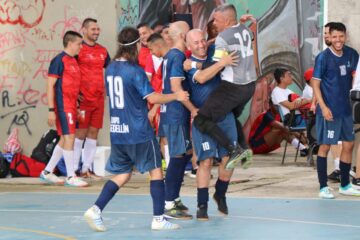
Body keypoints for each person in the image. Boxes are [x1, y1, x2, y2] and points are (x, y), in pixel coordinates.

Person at [84, 27, 189, 231]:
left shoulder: (111, 68)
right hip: (139, 130)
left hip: (118, 131)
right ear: (135, 47)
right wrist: (176, 96)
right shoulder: (135, 71)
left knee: (122, 174)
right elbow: (152, 98)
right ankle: (158, 218)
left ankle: (96, 209)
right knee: (156, 171)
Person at [192, 4, 254, 170]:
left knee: (201, 120)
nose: (214, 24)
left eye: (217, 20)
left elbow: (214, 64)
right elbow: (241, 36)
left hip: (232, 88)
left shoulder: (223, 38)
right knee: (231, 116)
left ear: (227, 21)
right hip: (249, 87)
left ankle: (234, 150)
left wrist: (192, 64)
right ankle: (245, 148)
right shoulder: (246, 30)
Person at [185, 29, 238, 220]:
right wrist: (221, 64)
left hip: (224, 114)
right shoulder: (187, 64)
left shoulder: (215, 50)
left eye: (202, 41)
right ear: (188, 46)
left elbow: (227, 48)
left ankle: (221, 193)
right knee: (205, 161)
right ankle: (202, 205)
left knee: (230, 157)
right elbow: (202, 77)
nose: (201, 45)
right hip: (203, 118)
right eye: (196, 43)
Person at [147, 22, 195, 220]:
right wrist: (193, 109)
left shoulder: (170, 56)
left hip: (171, 113)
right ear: (184, 36)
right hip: (176, 113)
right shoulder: (176, 56)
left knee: (186, 152)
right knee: (178, 155)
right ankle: (169, 202)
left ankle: (173, 198)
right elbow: (175, 87)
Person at [312, 22, 360, 199]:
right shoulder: (323, 57)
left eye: (341, 36)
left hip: (347, 109)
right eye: (334, 37)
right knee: (324, 146)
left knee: (349, 144)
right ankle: (323, 187)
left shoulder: (352, 54)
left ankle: (345, 185)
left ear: (345, 36)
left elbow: (357, 77)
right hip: (329, 111)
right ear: (329, 38)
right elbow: (315, 83)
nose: (338, 40)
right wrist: (323, 107)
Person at [40, 31, 88, 187]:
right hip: (62, 106)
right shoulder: (58, 60)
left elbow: (71, 84)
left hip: (72, 105)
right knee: (70, 138)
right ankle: (70, 176)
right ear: (70, 43)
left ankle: (47, 172)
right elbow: (50, 85)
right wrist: (51, 110)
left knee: (64, 139)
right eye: (79, 43)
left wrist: (78, 96)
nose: (81, 46)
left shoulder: (74, 60)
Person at [73, 18, 110, 177]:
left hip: (98, 99)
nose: (96, 32)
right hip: (83, 99)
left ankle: (85, 169)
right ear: (84, 30)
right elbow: (70, 72)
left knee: (93, 132)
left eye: (98, 29)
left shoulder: (103, 50)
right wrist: (75, 94)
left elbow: (111, 68)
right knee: (80, 133)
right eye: (93, 29)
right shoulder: (78, 49)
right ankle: (73, 169)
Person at [271, 68, 310, 156]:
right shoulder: (277, 91)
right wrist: (309, 100)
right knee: (318, 120)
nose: (291, 77)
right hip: (292, 119)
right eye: (289, 75)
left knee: (318, 118)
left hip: (299, 117)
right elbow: (291, 106)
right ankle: (314, 146)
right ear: (281, 78)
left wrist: (303, 100)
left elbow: (299, 101)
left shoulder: (289, 91)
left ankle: (312, 146)